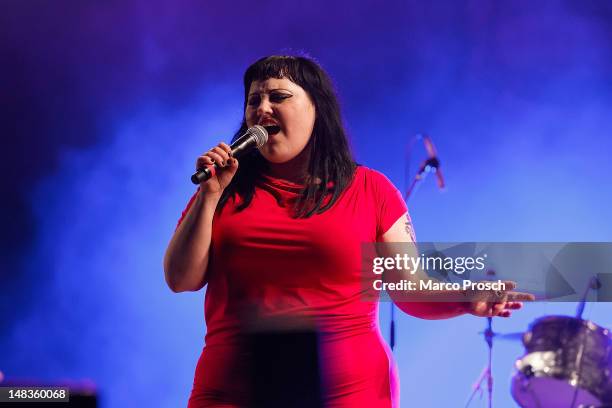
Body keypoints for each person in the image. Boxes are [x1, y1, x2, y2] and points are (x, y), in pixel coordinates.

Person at [163, 55, 533, 408]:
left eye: (278, 97)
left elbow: (410, 289)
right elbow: (180, 279)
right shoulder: (225, 190)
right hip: (232, 391)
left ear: (317, 110)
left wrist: (465, 298)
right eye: (253, 100)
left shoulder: (371, 190)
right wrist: (209, 195)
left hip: (347, 393)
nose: (261, 109)